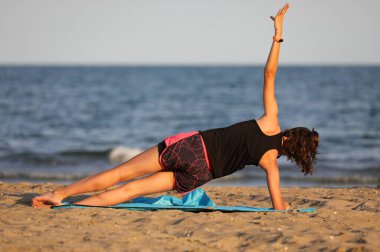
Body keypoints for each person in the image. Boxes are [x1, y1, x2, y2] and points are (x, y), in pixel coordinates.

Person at [32, 3, 319, 210]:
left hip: (192, 148)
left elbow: (269, 74)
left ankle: (60, 195)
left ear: (292, 133)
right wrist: (287, 206)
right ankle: (76, 208)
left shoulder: (271, 121)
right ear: (293, 152)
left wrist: (278, 34)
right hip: (199, 175)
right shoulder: (271, 163)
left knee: (121, 174)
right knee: (130, 191)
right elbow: (278, 206)